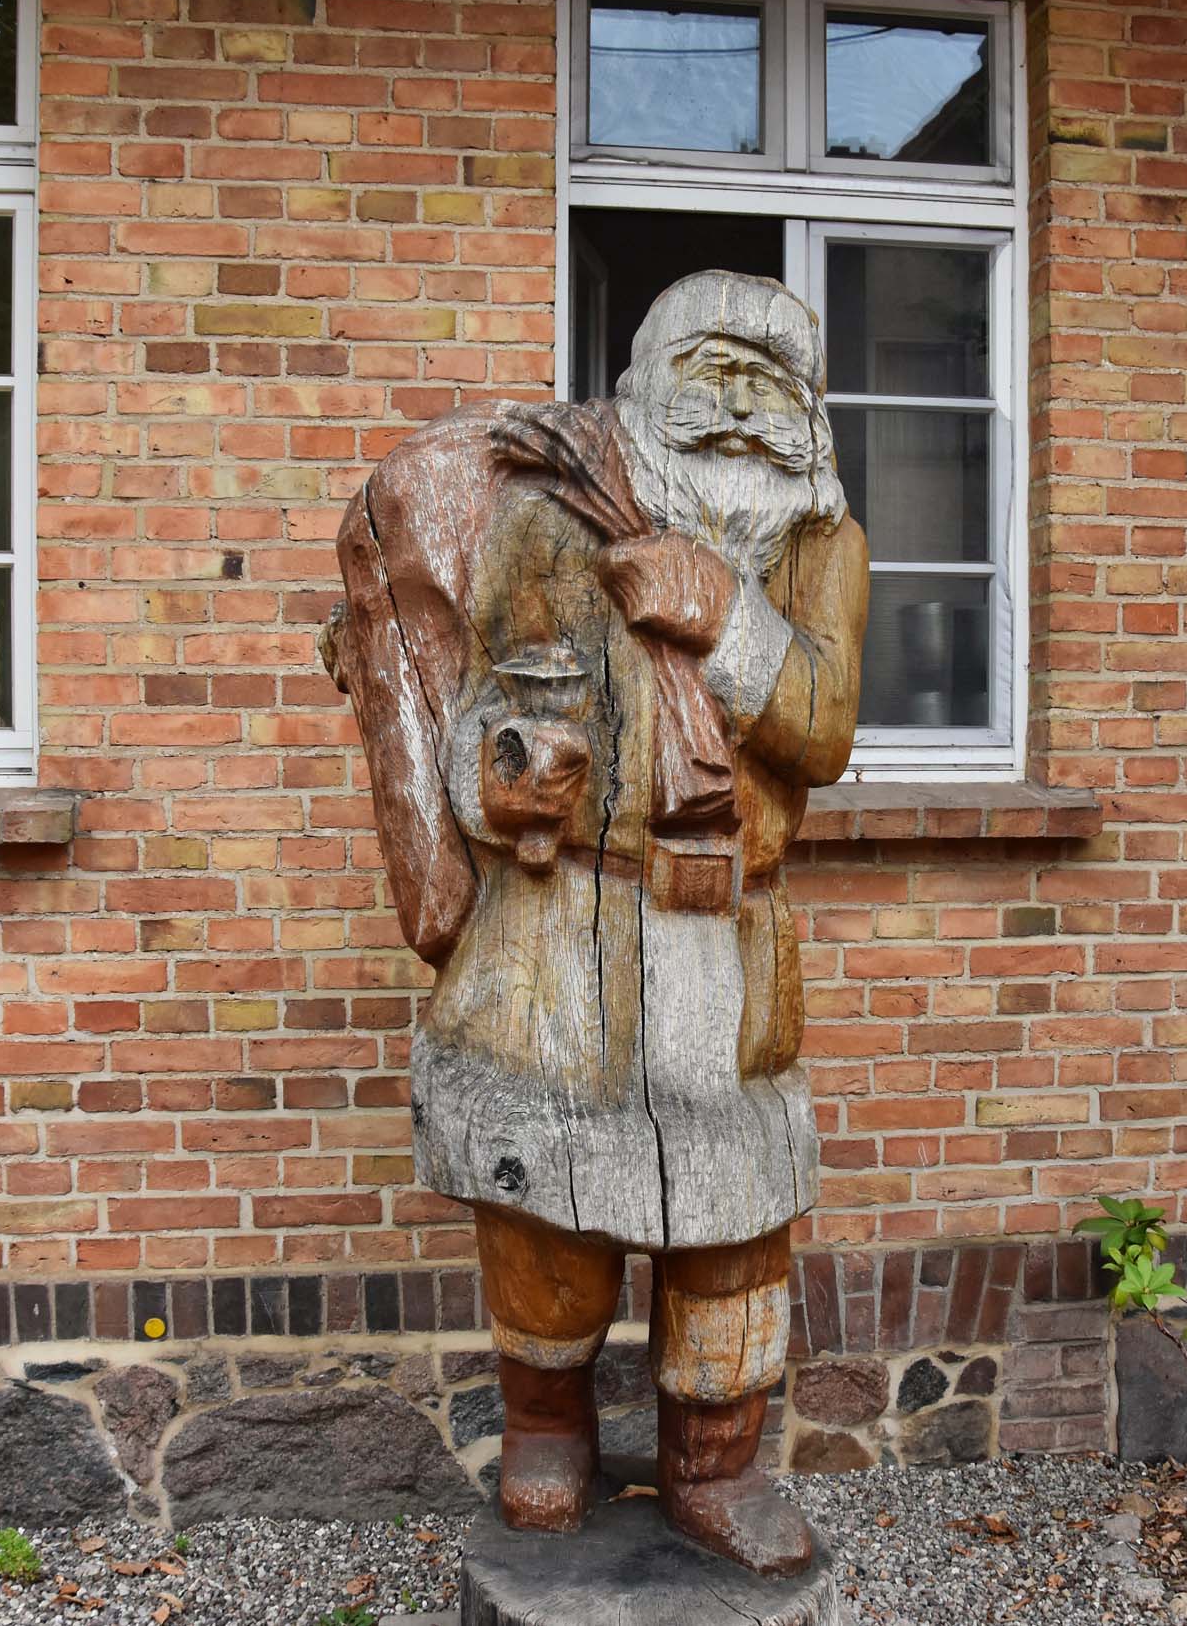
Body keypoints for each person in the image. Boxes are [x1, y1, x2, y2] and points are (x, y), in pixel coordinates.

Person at [325, 271, 868, 1575]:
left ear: (807, 409)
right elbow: (481, 709)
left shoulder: (816, 547)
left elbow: (827, 728)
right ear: (645, 390)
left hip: (722, 939)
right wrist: (499, 771)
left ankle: (714, 1469)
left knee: (735, 1227)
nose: (738, 406)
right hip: (560, 924)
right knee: (543, 1205)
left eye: (767, 377)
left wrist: (723, 613)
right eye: (708, 372)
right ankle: (546, 1433)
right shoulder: (549, 522)